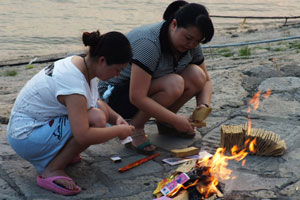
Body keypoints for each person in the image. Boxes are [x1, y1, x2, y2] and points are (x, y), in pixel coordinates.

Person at [6, 30, 134, 195]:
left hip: (31, 126)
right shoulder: (73, 82)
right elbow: (83, 135)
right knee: (96, 119)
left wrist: (116, 118)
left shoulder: (83, 65)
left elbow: (96, 102)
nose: (118, 75)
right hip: (25, 136)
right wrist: (119, 131)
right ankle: (52, 169)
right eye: (118, 69)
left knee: (99, 111)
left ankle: (61, 152)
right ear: (102, 61)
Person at [98, 1, 214, 155]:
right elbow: (136, 97)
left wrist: (203, 105)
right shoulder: (149, 43)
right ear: (174, 25)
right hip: (114, 96)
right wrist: (175, 119)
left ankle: (165, 124)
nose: (191, 44)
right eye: (188, 38)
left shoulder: (192, 44)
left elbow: (205, 80)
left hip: (147, 88)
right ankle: (135, 129)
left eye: (197, 41)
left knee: (196, 74)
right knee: (174, 83)